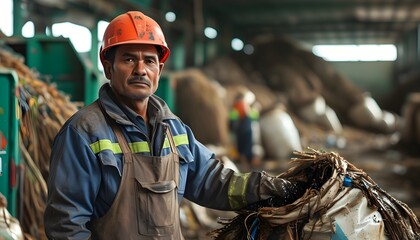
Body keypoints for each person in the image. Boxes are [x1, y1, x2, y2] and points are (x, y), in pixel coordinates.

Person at [44, 10, 305, 239]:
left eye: (149, 60)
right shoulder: (83, 133)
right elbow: (66, 225)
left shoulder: (174, 129)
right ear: (108, 68)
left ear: (159, 69)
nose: (140, 70)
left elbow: (213, 182)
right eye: (128, 59)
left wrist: (264, 187)